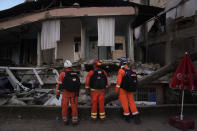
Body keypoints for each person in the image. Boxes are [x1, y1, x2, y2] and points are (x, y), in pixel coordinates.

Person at [115, 57, 141, 124]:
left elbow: (119, 82)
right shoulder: (130, 69)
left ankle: (127, 117)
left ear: (121, 63)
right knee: (131, 102)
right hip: (130, 89)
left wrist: (116, 90)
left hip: (123, 89)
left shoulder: (121, 71)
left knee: (125, 103)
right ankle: (136, 116)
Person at [56, 60, 81, 125]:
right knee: (74, 107)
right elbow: (78, 84)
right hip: (74, 93)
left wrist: (57, 94)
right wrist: (77, 93)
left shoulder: (62, 74)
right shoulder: (75, 74)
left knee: (64, 107)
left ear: (64, 66)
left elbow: (59, 84)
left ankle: (65, 121)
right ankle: (75, 121)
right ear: (71, 66)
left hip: (65, 93)